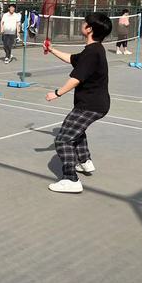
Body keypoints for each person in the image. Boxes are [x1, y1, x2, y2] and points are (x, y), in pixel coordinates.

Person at [44, 12, 113, 193]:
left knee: (63, 140)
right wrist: (52, 49)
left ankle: (71, 180)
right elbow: (72, 59)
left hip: (90, 105)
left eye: (84, 23)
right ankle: (84, 161)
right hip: (96, 103)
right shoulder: (94, 49)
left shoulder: (92, 52)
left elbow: (76, 78)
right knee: (76, 130)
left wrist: (57, 93)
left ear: (89, 29)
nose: (82, 24)